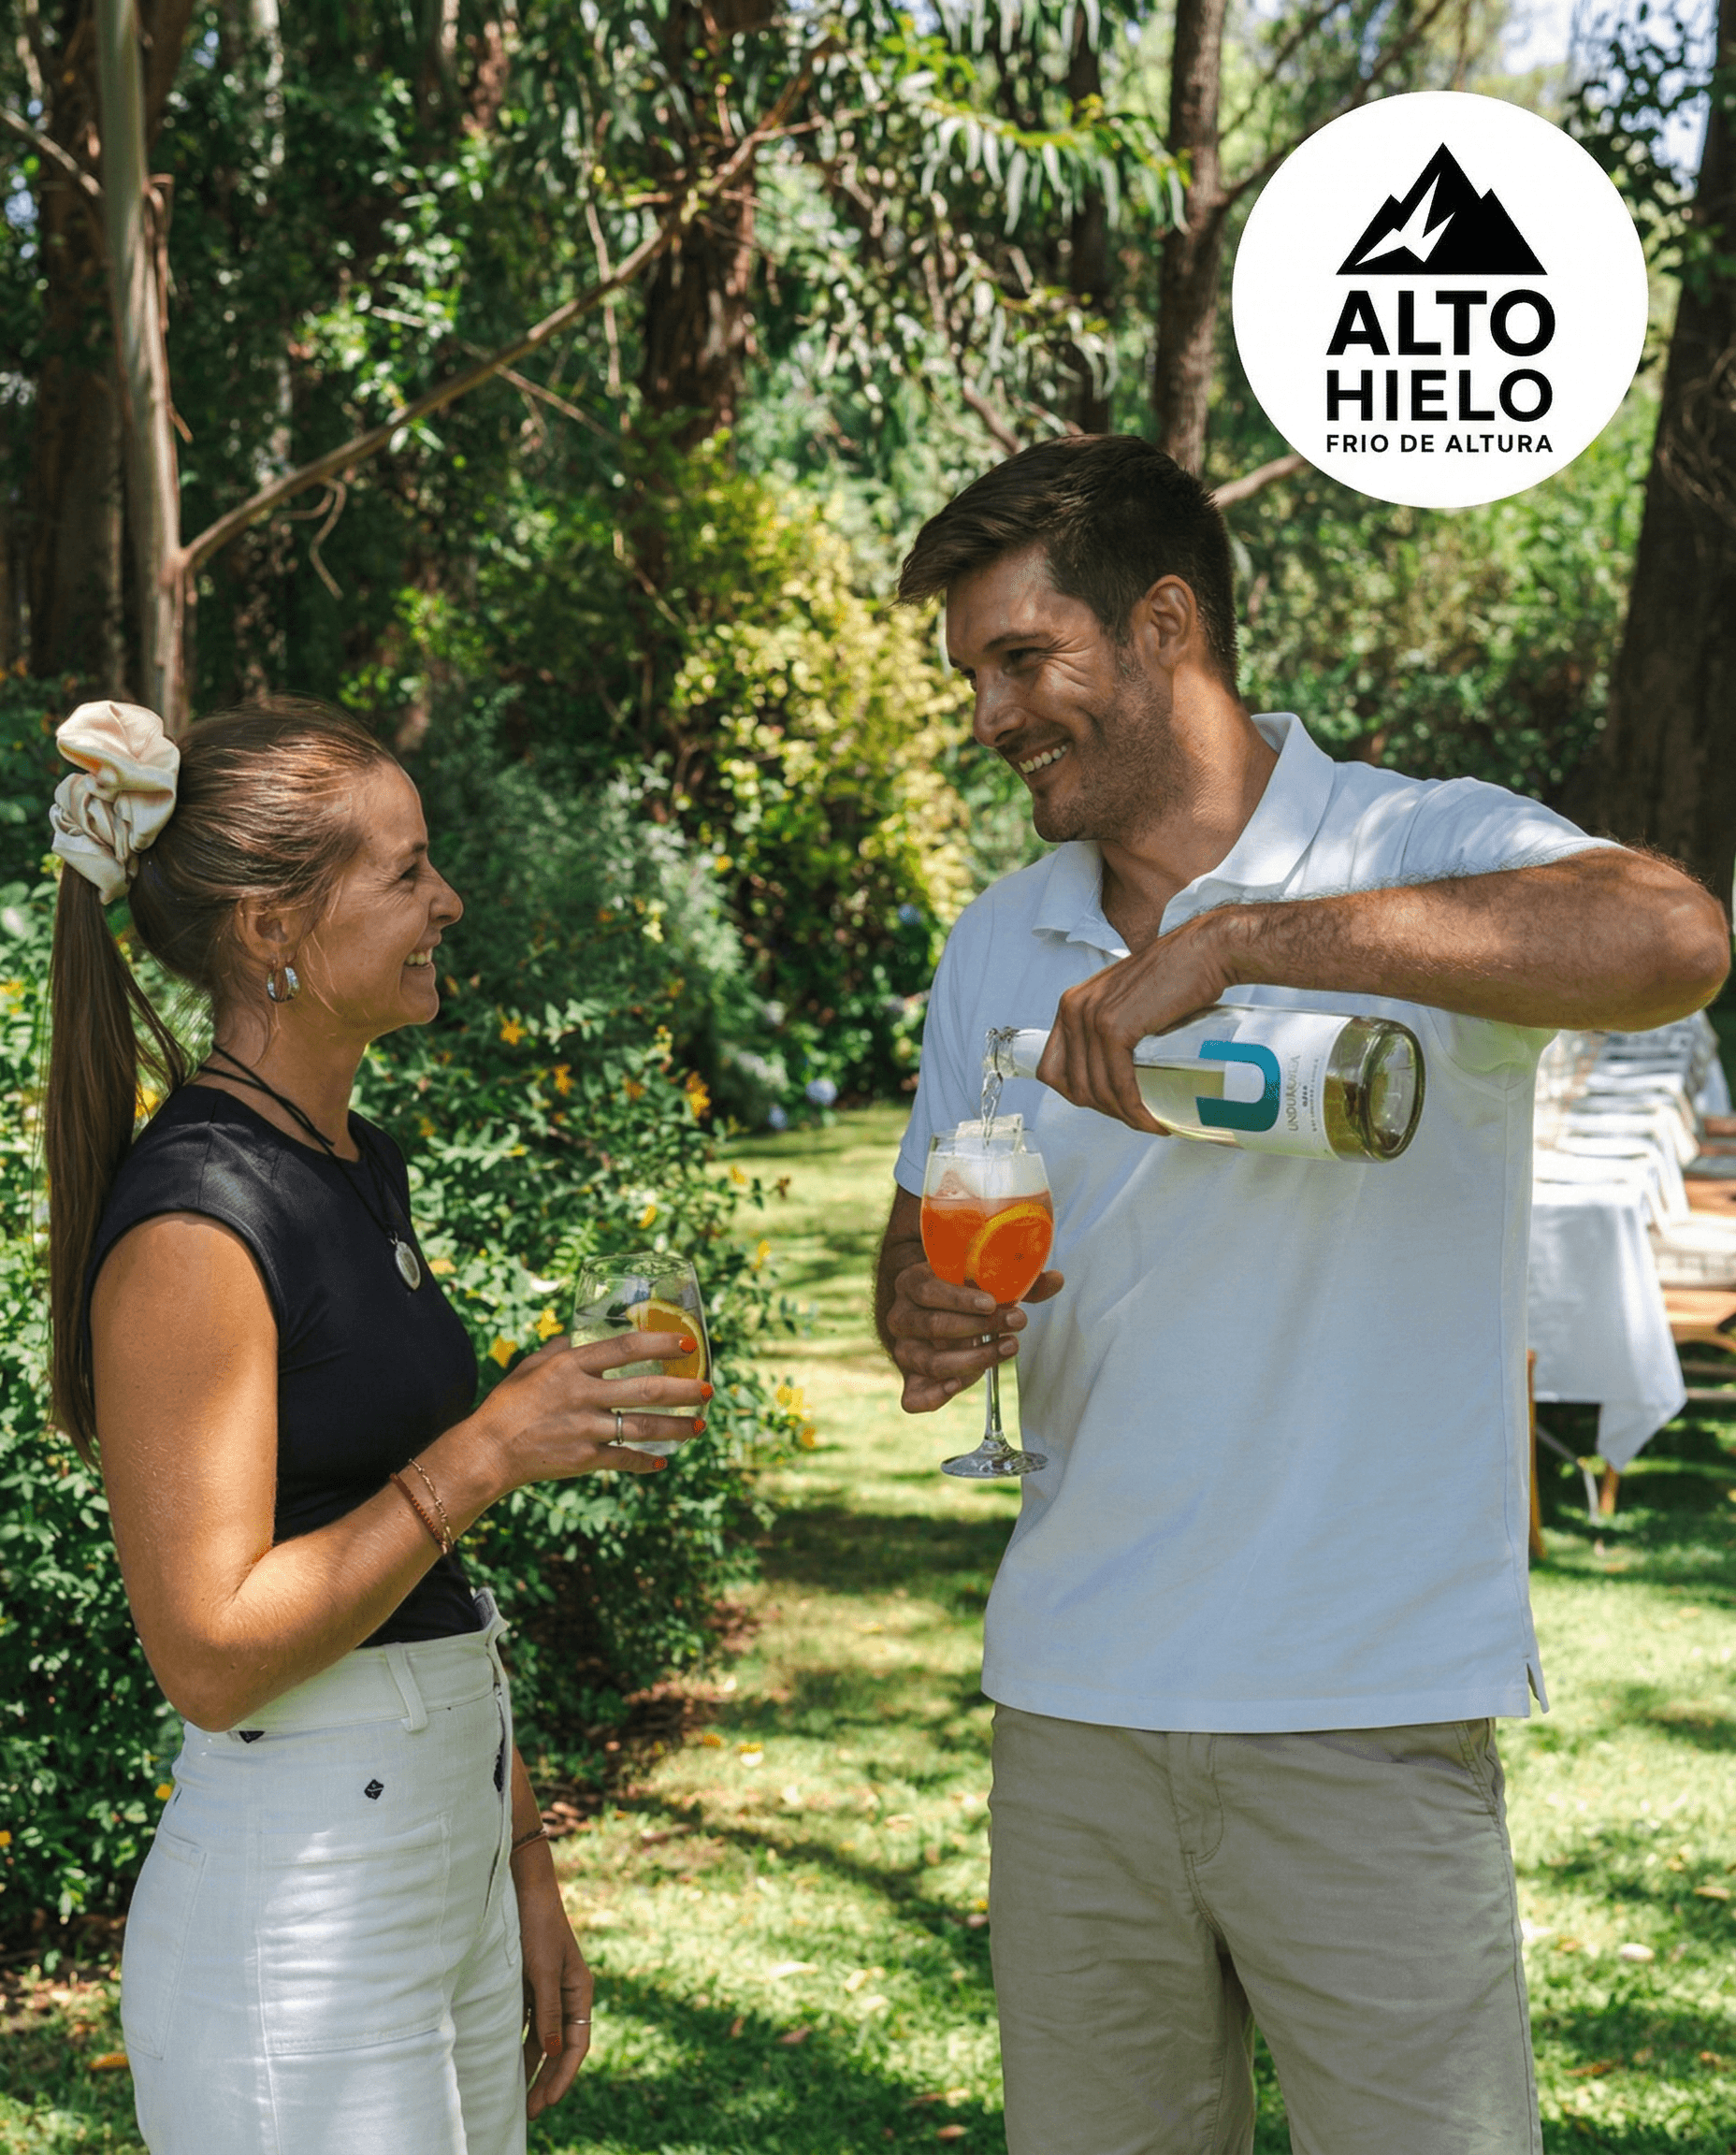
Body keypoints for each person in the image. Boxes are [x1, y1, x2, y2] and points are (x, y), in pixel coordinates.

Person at [874, 436, 1729, 2155]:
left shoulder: (1420, 838)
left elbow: (1673, 935)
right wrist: (925, 1313)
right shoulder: (1000, 935)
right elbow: (917, 1248)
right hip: (1077, 1712)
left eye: (1023, 659)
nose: (988, 715)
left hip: (1364, 1711)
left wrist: (1249, 940)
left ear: (1165, 625)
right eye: (973, 674)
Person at [45, 696, 710, 2154]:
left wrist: (521, 1868)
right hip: (303, 1920)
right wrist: (486, 1448)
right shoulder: (197, 1220)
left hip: (436, 1863)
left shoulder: (353, 1166)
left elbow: (425, 1583)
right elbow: (210, 1654)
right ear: (276, 931)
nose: (446, 900)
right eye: (405, 872)